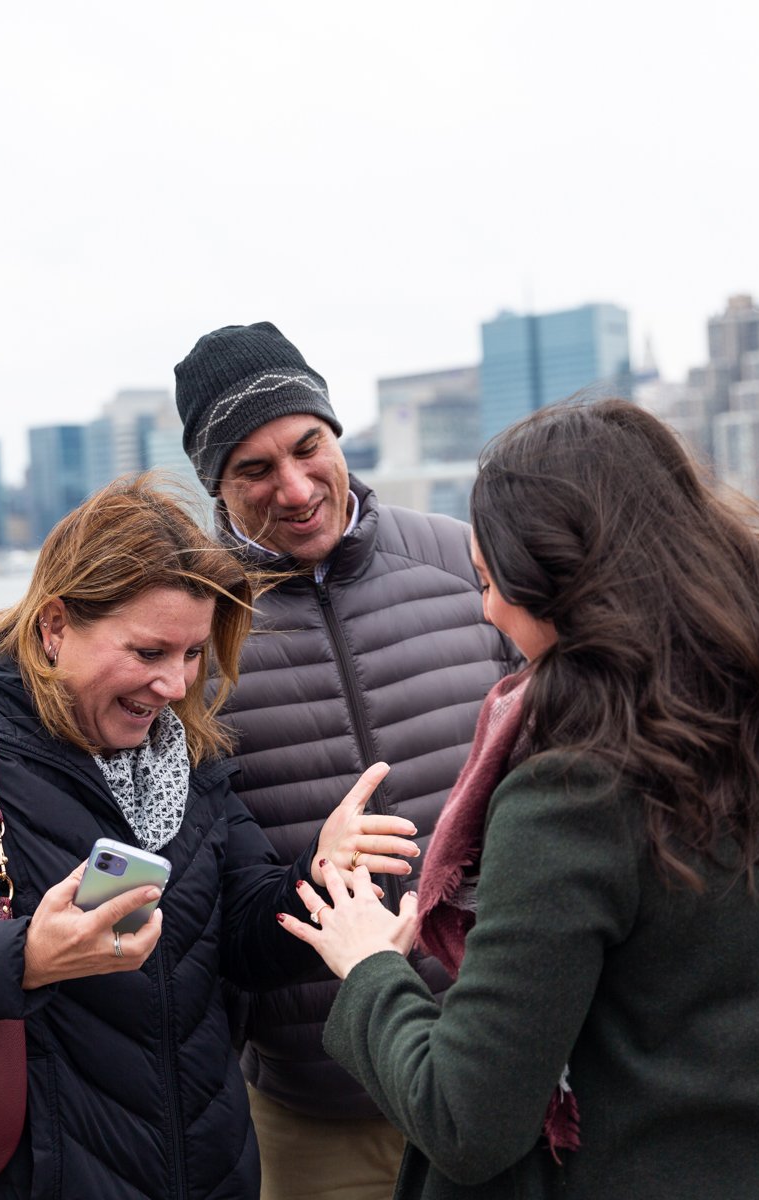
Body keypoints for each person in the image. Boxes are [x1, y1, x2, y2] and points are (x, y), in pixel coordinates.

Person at [281, 398, 759, 1197]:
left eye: (491, 581)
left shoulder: (576, 794)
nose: (488, 610)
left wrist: (368, 968)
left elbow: (467, 1118)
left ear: (562, 583)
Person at [0, 475, 421, 1199]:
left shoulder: (185, 750)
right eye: (148, 652)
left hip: (204, 1173)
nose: (173, 684)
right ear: (55, 625)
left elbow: (241, 941)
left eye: (192, 655)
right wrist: (27, 955)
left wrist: (319, 879)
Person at [172, 320, 515, 1199]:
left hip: (498, 1056)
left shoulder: (461, 561)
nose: (293, 488)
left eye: (306, 446)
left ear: (336, 433)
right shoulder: (190, 629)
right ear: (215, 484)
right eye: (253, 470)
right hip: (313, 1089)